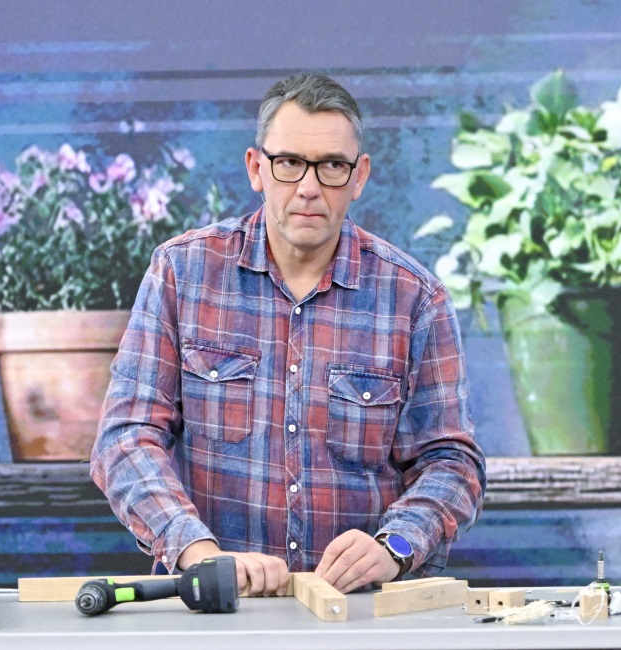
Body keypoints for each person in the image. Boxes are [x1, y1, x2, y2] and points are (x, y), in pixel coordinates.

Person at [90, 72, 486, 596]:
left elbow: (451, 463)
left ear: (360, 176)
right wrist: (198, 553)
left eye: (332, 166)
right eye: (290, 162)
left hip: (361, 612)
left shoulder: (415, 298)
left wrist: (394, 546)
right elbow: (126, 437)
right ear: (257, 168)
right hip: (215, 610)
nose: (309, 187)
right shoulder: (182, 273)